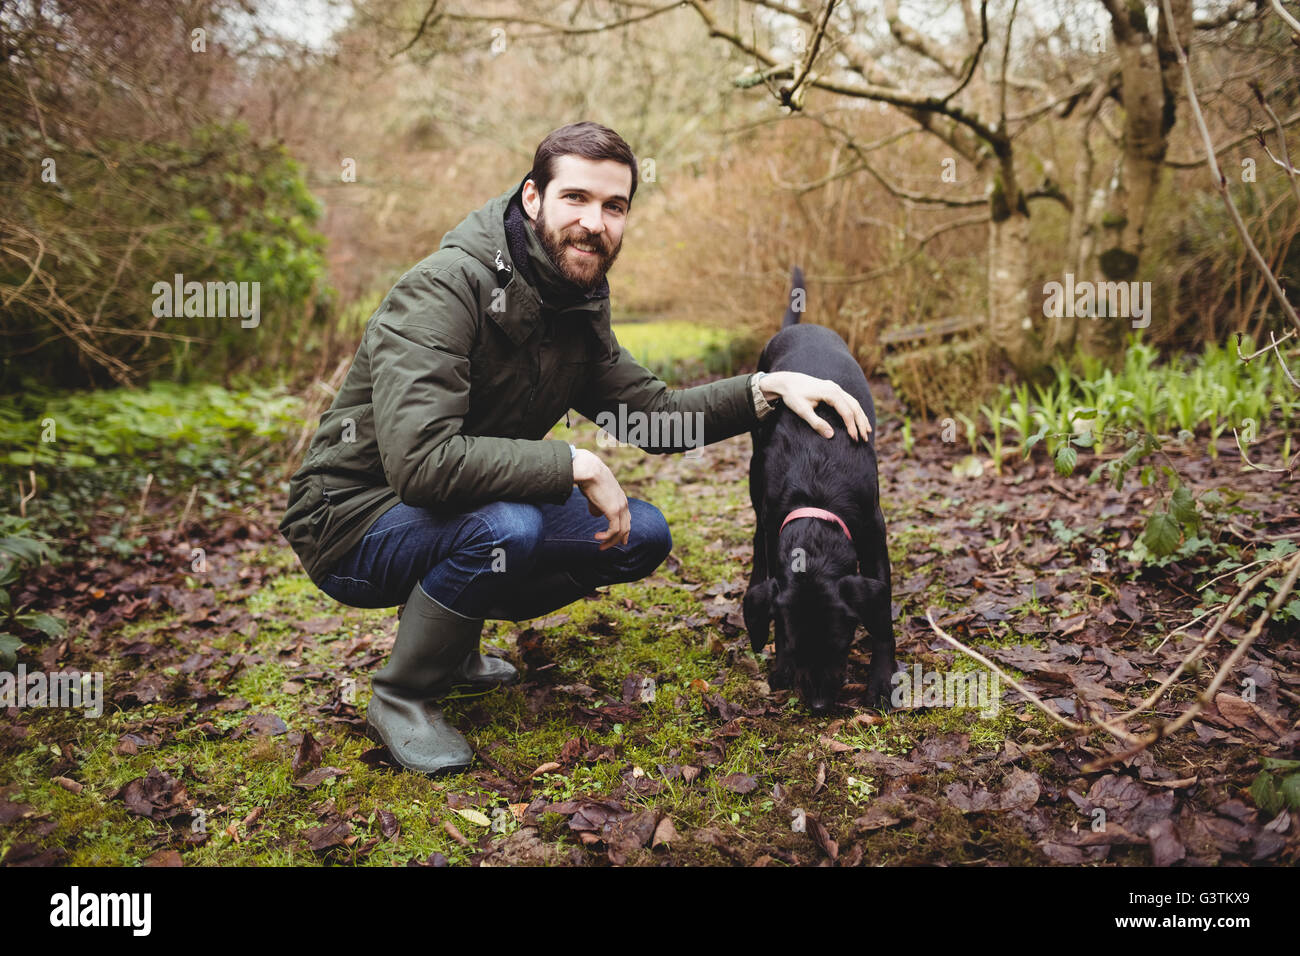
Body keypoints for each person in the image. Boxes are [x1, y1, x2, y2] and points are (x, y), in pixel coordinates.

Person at [278, 121, 871, 775]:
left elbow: (654, 417)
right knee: (506, 524)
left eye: (614, 206)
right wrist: (573, 462)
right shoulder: (442, 290)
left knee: (639, 533)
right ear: (533, 198)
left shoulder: (576, 305)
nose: (595, 222)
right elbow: (421, 464)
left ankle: (453, 642)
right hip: (351, 519)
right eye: (576, 199)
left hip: (453, 507)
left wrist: (766, 388)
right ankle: (402, 697)